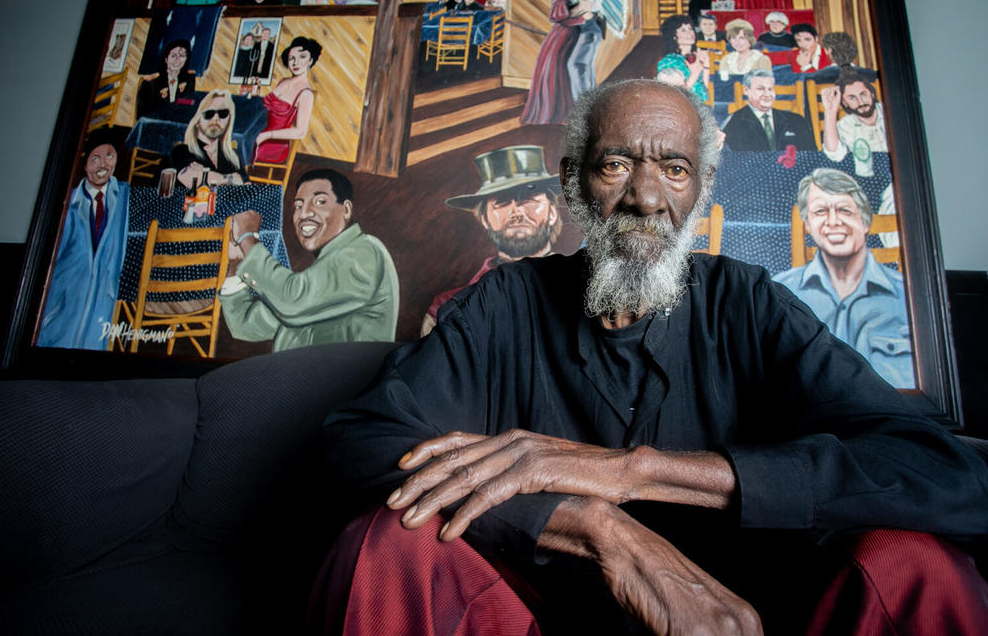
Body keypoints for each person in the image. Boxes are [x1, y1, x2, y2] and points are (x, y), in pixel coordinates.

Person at [319, 79, 988, 635]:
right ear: (574, 184)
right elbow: (360, 437)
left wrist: (633, 472)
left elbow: (950, 476)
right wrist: (589, 521)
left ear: (699, 190)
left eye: (674, 168)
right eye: (616, 164)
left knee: (915, 562)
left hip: (749, 623)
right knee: (388, 542)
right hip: (542, 623)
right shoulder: (505, 306)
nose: (645, 196)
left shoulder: (749, 303)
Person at [219, 168, 399, 350]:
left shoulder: (363, 254)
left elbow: (292, 302)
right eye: (298, 206)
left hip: (342, 378)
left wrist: (248, 238)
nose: (304, 214)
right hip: (297, 374)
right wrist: (236, 265)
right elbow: (246, 326)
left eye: (320, 202)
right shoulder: (320, 275)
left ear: (346, 210)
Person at [774, 168, 913, 388]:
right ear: (808, 224)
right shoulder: (778, 294)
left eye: (845, 210)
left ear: (865, 221)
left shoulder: (908, 298)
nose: (833, 221)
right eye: (820, 211)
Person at [420, 145, 563, 335]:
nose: (517, 211)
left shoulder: (581, 295)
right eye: (502, 202)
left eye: (528, 199)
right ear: (485, 219)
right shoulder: (446, 310)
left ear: (552, 212)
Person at [38, 130, 129, 350]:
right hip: (67, 292)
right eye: (95, 159)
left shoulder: (123, 195)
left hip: (103, 290)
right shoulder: (70, 204)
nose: (103, 165)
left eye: (109, 156)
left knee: (93, 346)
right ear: (85, 165)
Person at [520, 0, 583, 125]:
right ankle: (556, 114)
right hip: (562, 35)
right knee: (557, 70)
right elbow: (558, 17)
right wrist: (580, 19)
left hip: (562, 35)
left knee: (558, 70)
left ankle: (557, 113)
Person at [254, 37, 320, 165]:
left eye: (302, 57)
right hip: (258, 134)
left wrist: (266, 135)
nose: (296, 63)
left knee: (231, 148)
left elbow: (300, 132)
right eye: (292, 58)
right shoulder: (283, 81)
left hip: (272, 145)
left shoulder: (306, 94)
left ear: (310, 61)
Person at [169, 89, 247, 188]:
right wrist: (231, 178)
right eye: (209, 113)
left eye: (223, 113)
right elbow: (192, 180)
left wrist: (207, 175)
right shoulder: (182, 150)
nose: (215, 118)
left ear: (228, 121)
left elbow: (247, 187)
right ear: (197, 121)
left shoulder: (233, 157)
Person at [723, 69, 816, 152]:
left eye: (770, 89)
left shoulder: (796, 120)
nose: (767, 94)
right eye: (761, 89)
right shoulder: (734, 122)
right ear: (747, 90)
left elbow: (812, 155)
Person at [554, 0, 603, 101]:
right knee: (584, 66)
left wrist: (564, 16)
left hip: (589, 27)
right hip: (582, 27)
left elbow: (584, 7)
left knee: (576, 64)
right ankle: (589, 105)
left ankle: (583, 107)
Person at [820, 72, 886, 177]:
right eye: (852, 98)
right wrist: (830, 111)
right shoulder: (846, 125)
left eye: (863, 94)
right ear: (845, 103)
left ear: (872, 94)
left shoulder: (889, 111)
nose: (860, 102)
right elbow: (834, 155)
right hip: (868, 176)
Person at [136, 39, 197, 116]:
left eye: (182, 56)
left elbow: (187, 108)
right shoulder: (150, 83)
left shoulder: (188, 79)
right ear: (166, 59)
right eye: (173, 56)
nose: (177, 59)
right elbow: (143, 116)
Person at [657, 14, 709, 102]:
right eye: (683, 30)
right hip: (685, 107)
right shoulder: (669, 62)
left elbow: (706, 88)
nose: (690, 33)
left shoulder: (698, 56)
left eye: (690, 29)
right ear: (674, 36)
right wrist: (695, 73)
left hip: (705, 104)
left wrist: (707, 66)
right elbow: (675, 95)